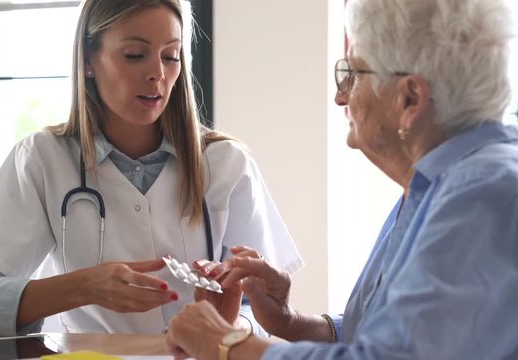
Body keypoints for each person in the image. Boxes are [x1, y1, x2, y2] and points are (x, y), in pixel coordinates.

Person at [165, 0, 518, 358]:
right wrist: (291, 322)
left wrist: (226, 344)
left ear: (409, 99)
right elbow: (383, 337)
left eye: (353, 73)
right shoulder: (439, 184)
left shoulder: (483, 194)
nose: (340, 96)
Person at [0, 0, 303, 337]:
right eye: (135, 55)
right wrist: (84, 286)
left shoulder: (226, 163)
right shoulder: (42, 158)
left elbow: (261, 313)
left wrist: (225, 327)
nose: (157, 74)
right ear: (88, 60)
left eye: (171, 56)